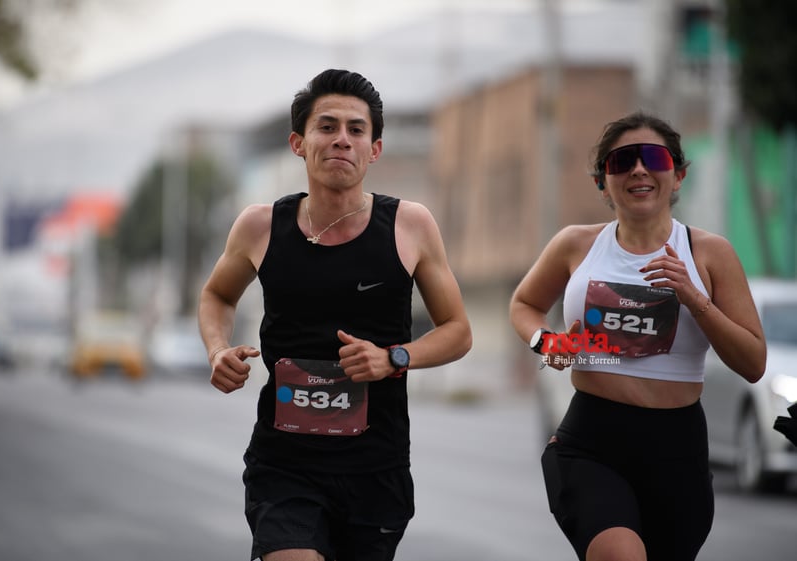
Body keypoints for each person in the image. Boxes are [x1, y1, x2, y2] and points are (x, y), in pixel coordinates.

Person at [197, 68, 472, 561]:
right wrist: (218, 350)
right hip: (284, 464)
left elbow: (458, 332)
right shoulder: (261, 226)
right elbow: (216, 296)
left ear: (375, 149)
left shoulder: (409, 225)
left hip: (375, 467)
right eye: (327, 127)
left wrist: (395, 358)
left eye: (356, 129)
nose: (341, 140)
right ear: (299, 143)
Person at [509, 111, 766, 561]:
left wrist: (694, 297)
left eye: (653, 158)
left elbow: (753, 362)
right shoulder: (576, 244)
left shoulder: (709, 254)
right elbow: (524, 305)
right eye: (622, 161)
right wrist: (546, 344)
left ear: (678, 175)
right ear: (602, 182)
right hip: (592, 441)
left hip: (677, 448)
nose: (639, 169)